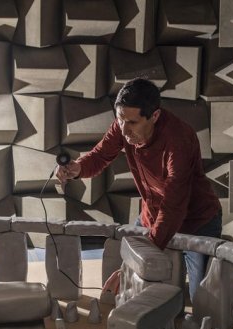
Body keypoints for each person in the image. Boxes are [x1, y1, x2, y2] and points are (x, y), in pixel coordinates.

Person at [55, 78, 222, 301]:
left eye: (132, 123)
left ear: (154, 116)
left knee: (202, 301)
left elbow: (173, 206)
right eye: (120, 119)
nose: (123, 130)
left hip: (196, 223)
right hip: (151, 217)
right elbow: (101, 155)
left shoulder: (178, 140)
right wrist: (77, 168)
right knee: (145, 294)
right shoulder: (124, 124)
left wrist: (135, 262)